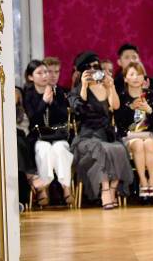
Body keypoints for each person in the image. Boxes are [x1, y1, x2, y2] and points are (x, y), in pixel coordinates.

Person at [68, 51, 133, 209]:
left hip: (106, 135)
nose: (92, 70)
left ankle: (112, 189)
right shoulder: (76, 91)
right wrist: (83, 85)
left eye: (95, 66)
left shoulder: (106, 86)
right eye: (88, 68)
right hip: (86, 138)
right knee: (100, 149)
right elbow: (79, 110)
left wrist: (110, 87)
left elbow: (115, 106)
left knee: (119, 148)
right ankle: (105, 191)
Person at [23, 60, 74, 206]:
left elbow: (64, 116)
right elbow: (33, 119)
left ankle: (66, 187)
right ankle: (43, 189)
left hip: (58, 135)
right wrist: (44, 101)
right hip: (38, 136)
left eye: (46, 72)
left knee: (60, 149)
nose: (46, 75)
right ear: (30, 77)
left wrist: (53, 103)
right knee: (43, 149)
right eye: (40, 73)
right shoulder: (28, 94)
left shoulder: (58, 92)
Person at [114, 62, 153, 204]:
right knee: (138, 145)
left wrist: (150, 110)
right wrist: (130, 108)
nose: (136, 77)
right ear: (125, 78)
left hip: (150, 135)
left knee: (148, 144)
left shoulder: (151, 95)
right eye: (132, 74)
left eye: (139, 74)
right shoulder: (121, 96)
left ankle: (152, 182)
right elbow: (118, 121)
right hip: (129, 136)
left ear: (144, 77)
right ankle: (143, 183)